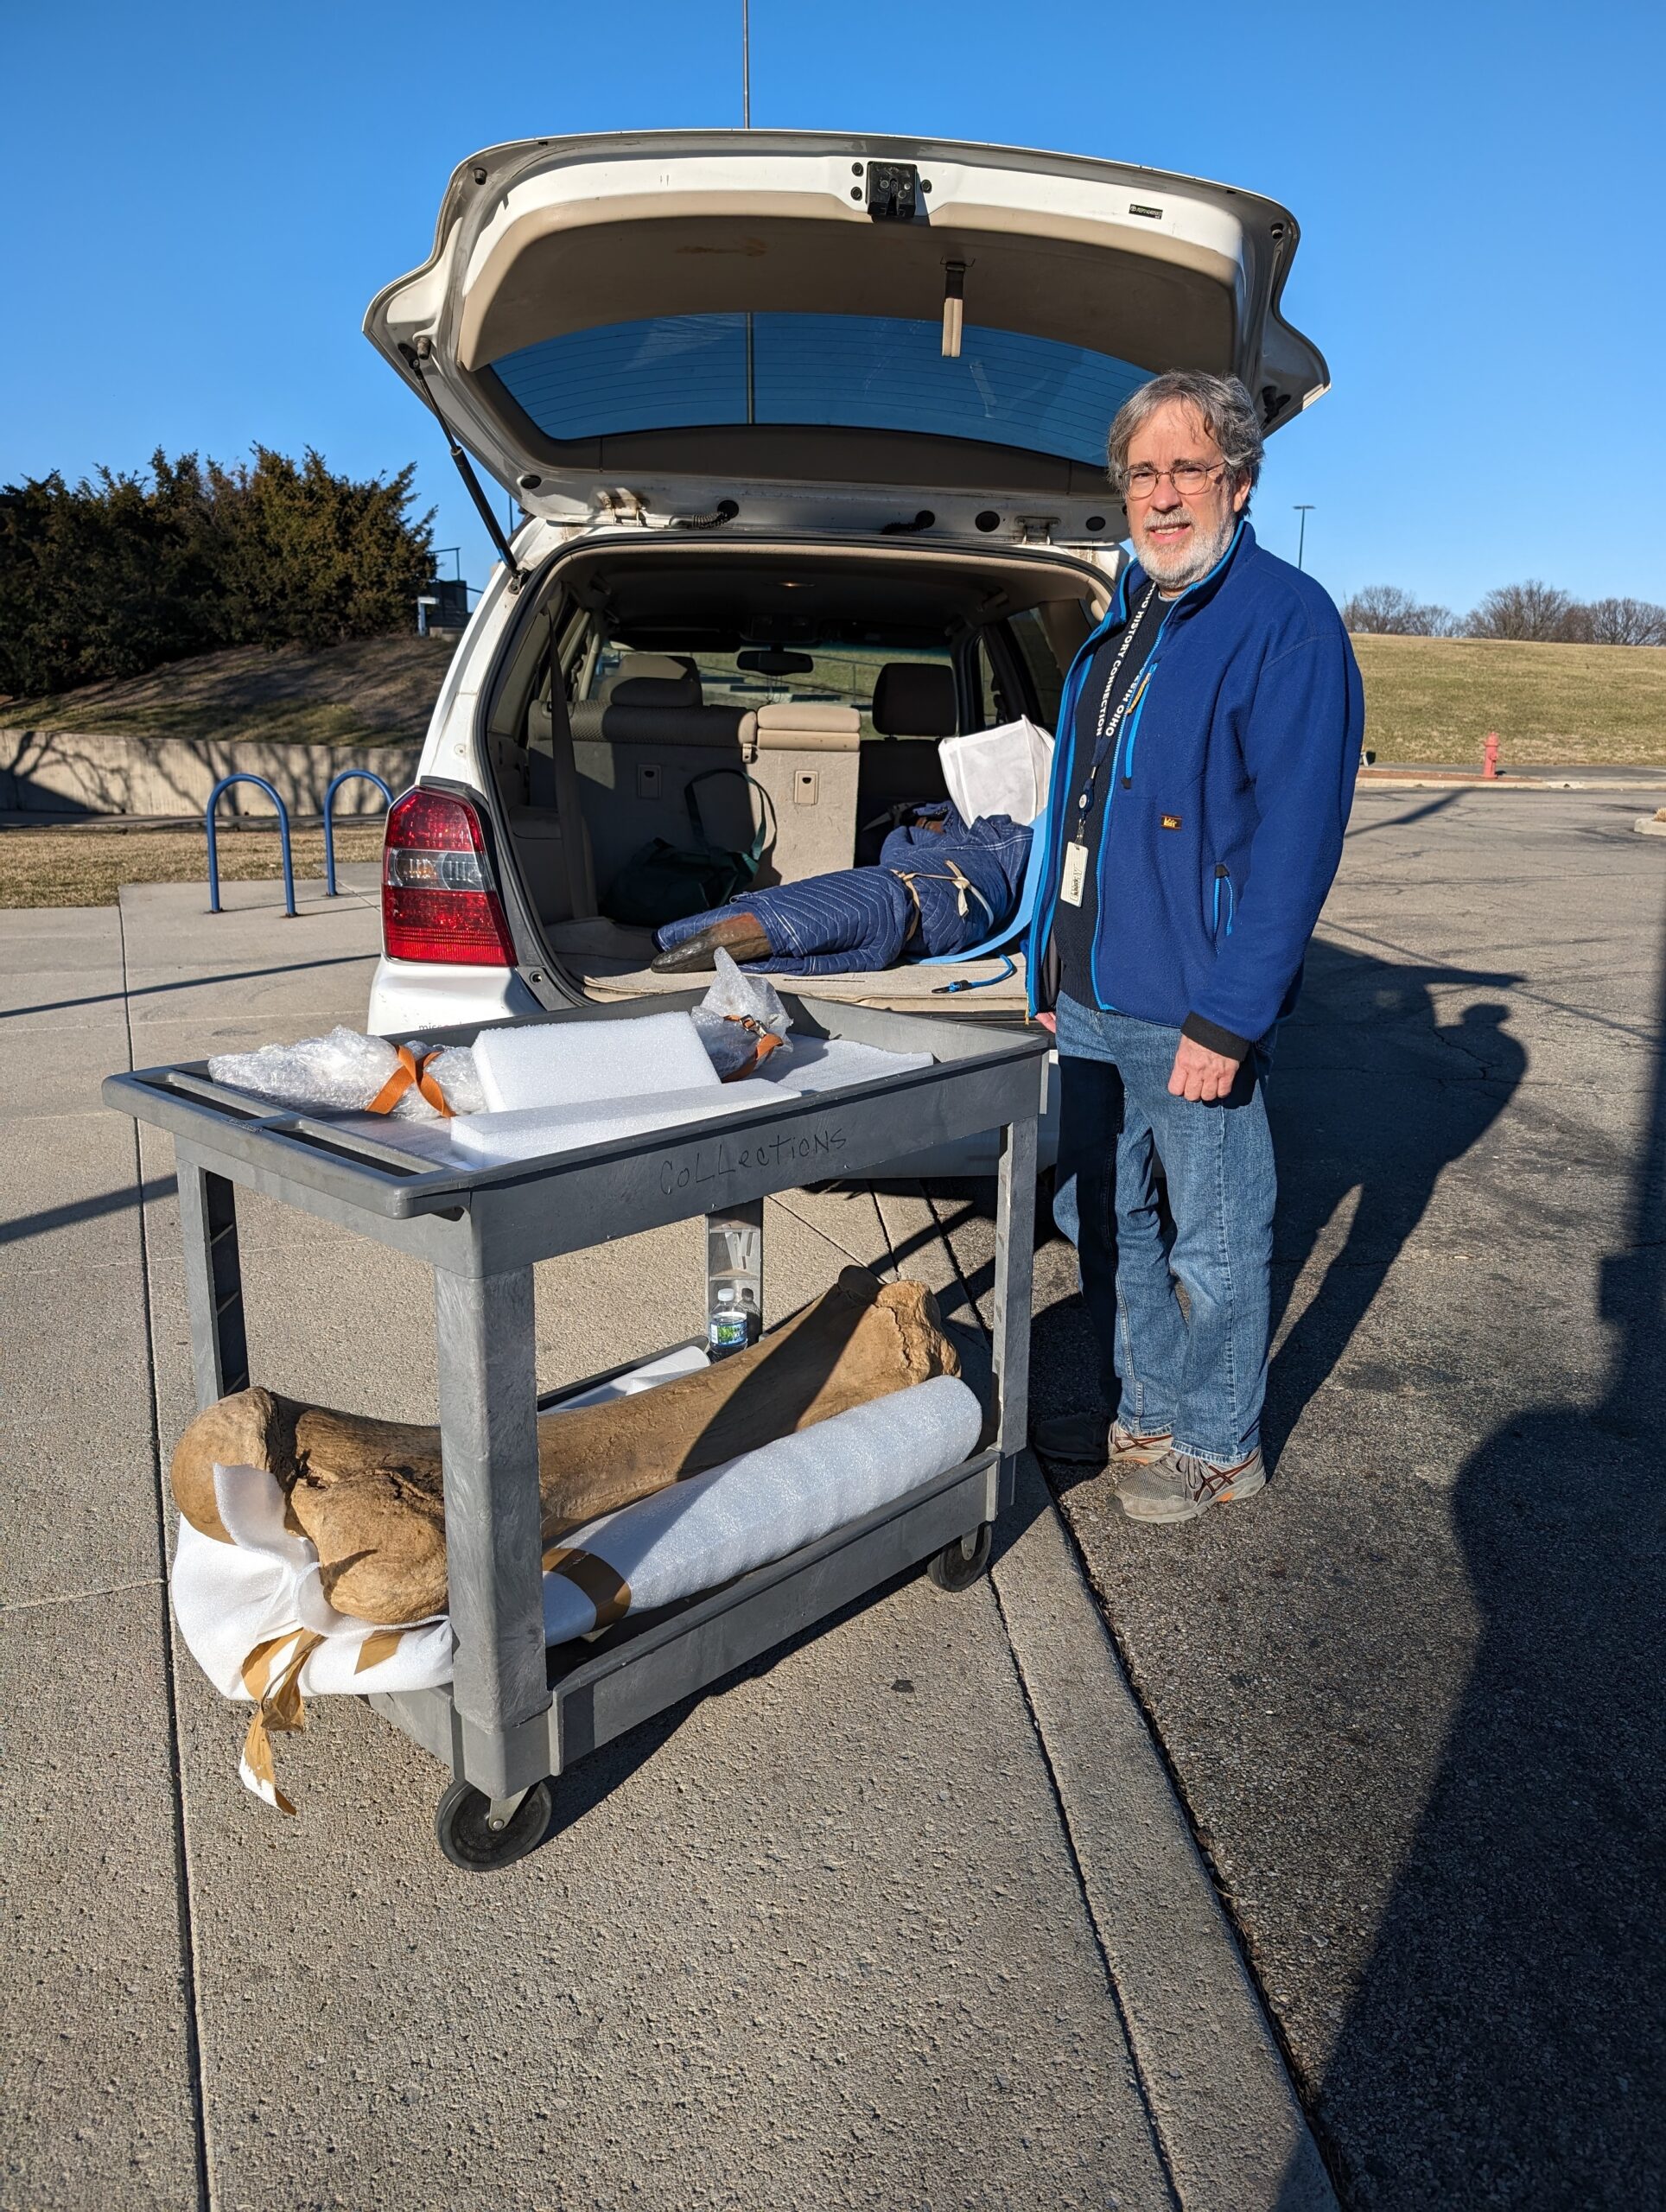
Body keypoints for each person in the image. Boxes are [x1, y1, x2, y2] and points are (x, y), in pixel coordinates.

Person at [1028, 369, 1363, 1524]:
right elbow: (1073, 810)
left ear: (1240, 478)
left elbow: (1294, 843)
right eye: (1144, 472)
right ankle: (1151, 1408)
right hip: (1088, 992)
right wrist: (1045, 970)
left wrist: (1231, 1015)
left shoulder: (1286, 621)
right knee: (1101, 1219)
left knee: (1215, 1237)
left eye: (1189, 468)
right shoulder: (1121, 628)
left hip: (1189, 1000)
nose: (1164, 495)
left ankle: (1222, 1442)